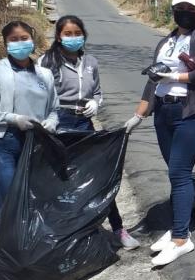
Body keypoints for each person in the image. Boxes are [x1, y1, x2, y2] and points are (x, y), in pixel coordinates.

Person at [123, 0, 195, 266]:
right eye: (180, 7)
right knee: (178, 173)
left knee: (179, 172)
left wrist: (176, 76)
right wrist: (138, 116)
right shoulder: (166, 41)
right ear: (173, 10)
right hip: (164, 113)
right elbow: (153, 80)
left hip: (193, 112)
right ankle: (182, 224)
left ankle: (181, 238)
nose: (185, 12)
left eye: (191, 9)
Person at [38, 15, 140, 250]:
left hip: (84, 123)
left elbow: (97, 92)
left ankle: (119, 230)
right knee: (63, 182)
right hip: (59, 125)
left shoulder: (91, 62)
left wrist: (97, 103)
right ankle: (66, 235)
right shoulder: (47, 61)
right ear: (58, 36)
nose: (73, 38)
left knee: (99, 176)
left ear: (83, 35)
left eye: (77, 33)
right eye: (67, 34)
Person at [0, 21, 59, 246]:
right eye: (13, 39)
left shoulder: (45, 75)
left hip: (35, 145)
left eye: (24, 38)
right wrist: (13, 119)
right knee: (9, 205)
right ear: (5, 44)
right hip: (1, 145)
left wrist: (50, 122)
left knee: (31, 204)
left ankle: (24, 260)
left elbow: (54, 109)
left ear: (33, 39)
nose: (20, 43)